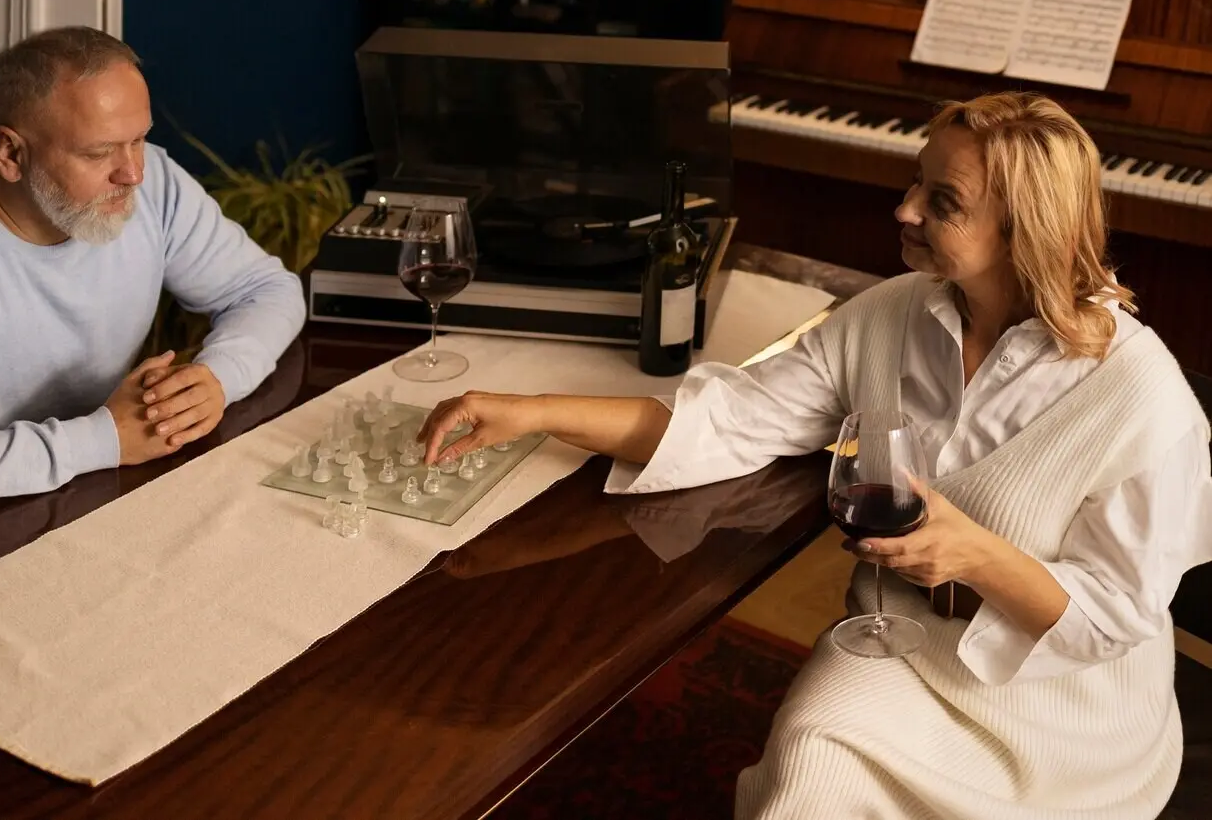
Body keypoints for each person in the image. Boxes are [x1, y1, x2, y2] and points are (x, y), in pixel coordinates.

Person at [416, 93, 1212, 819]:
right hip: (897, 638)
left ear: (1023, 230)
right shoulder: (890, 313)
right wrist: (530, 411)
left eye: (942, 202)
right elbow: (731, 417)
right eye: (915, 182)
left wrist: (976, 554)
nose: (902, 209)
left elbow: (1114, 614)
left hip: (1063, 708)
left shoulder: (1141, 396)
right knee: (810, 759)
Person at [0, 26, 305, 526]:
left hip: (91, 499)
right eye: (99, 153)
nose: (133, 173)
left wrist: (217, 378)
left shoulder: (153, 185)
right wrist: (103, 439)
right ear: (10, 153)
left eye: (139, 140)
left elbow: (268, 290)